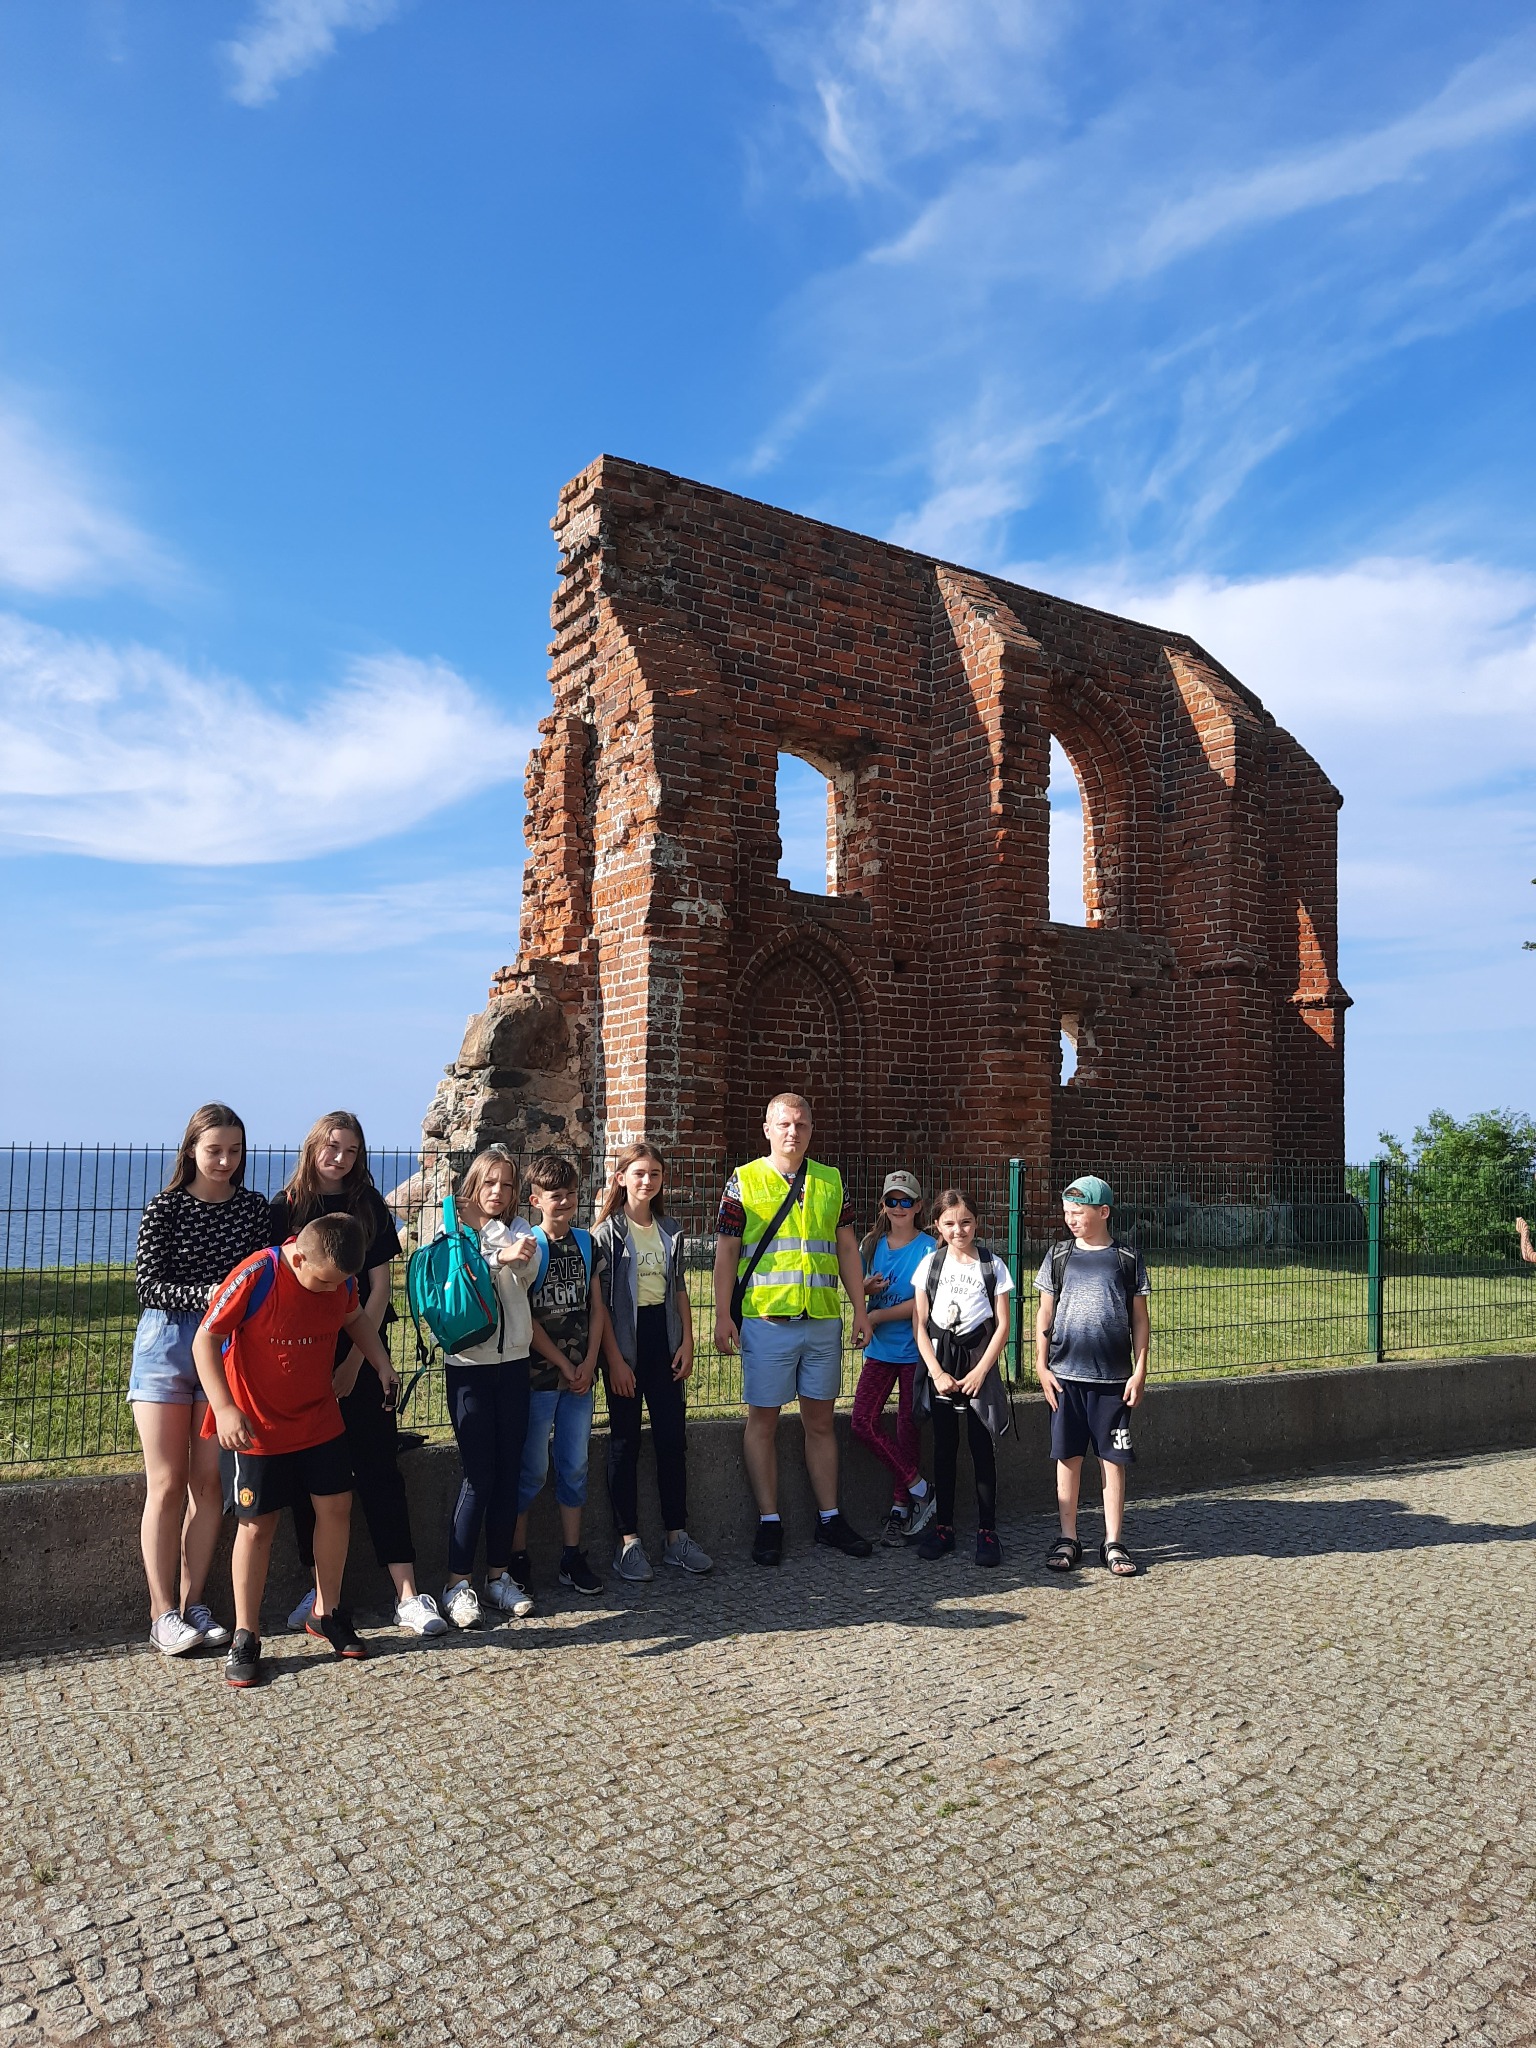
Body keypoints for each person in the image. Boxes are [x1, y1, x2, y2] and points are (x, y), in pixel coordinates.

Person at [193, 1212, 398, 1687]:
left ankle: (328, 1612)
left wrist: (381, 1364)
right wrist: (224, 1408)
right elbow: (206, 1340)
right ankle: (247, 1635)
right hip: (257, 1426)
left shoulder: (340, 1282)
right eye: (325, 1282)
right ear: (300, 1255)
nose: (333, 1292)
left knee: (337, 1508)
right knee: (257, 1526)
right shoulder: (257, 1273)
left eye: (342, 1284)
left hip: (319, 1419)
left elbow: (356, 1320)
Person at [270, 1112, 445, 1639]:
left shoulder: (369, 1205)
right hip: (303, 1357)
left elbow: (379, 1287)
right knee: (312, 1477)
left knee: (378, 1468)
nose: (339, 1157)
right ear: (313, 1146)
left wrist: (355, 1363)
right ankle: (320, 1593)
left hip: (362, 1353)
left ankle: (407, 1595)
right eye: (331, 1146)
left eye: (349, 1150)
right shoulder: (284, 1208)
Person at [128, 1103, 271, 1657]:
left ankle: (194, 1605)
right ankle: (160, 1611)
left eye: (235, 1151)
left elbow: (261, 1272)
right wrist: (211, 1296)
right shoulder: (164, 1207)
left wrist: (228, 1307)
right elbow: (148, 1284)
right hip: (166, 1347)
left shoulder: (253, 1209)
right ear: (191, 1149)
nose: (225, 1161)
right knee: (165, 1484)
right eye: (214, 1150)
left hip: (225, 1350)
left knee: (209, 1485)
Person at [712, 1092, 873, 1565]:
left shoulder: (829, 1180)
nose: (792, 1132)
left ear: (810, 1130)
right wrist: (723, 1314)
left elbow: (846, 1248)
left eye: (801, 1125)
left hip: (821, 1320)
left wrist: (860, 1308)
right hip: (767, 1321)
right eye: (784, 1124)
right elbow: (725, 1252)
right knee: (763, 1420)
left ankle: (829, 1518)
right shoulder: (744, 1181)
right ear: (767, 1128)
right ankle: (769, 1521)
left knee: (820, 1422)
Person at [594, 1141, 713, 1582]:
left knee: (671, 1440)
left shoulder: (670, 1230)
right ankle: (628, 1543)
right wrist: (614, 1359)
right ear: (622, 1177)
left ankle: (676, 1538)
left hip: (664, 1342)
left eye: (655, 1174)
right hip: (625, 1344)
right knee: (625, 1443)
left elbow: (678, 1287)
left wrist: (687, 1342)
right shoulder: (605, 1234)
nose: (647, 1181)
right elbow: (600, 1305)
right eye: (639, 1173)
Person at [440, 1144, 540, 1630]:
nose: (498, 1192)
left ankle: (498, 1576)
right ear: (474, 1185)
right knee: (478, 1475)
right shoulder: (451, 1228)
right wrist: (499, 1255)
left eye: (506, 1184)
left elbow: (527, 1272)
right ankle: (457, 1583)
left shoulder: (521, 1230)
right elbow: (457, 1269)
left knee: (508, 1472)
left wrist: (513, 1253)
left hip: (514, 1364)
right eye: (490, 1183)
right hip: (468, 1366)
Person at [1034, 1174, 1150, 1578]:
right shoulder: (1059, 1256)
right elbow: (1044, 1314)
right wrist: (1040, 1366)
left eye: (1079, 1212)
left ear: (1103, 1212)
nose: (1071, 1219)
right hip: (1065, 1378)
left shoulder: (1127, 1259)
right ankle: (1069, 1537)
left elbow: (1140, 1319)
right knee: (1067, 1457)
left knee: (1113, 1460)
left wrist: (1139, 1371)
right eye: (1067, 1212)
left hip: (1113, 1381)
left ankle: (1113, 1540)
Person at [509, 1152, 610, 1599]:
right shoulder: (530, 1246)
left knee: (575, 1465)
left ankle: (571, 1555)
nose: (564, 1201)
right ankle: (516, 1557)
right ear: (536, 1200)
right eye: (555, 1196)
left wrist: (588, 1361)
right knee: (530, 1471)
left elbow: (596, 1307)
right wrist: (566, 1363)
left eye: (570, 1194)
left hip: (578, 1379)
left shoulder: (588, 1244)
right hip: (538, 1379)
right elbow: (526, 1318)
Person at [911, 1189, 1012, 1567]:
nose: (959, 1230)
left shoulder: (993, 1265)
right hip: (943, 1363)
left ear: (977, 1222)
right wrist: (936, 1372)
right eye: (950, 1223)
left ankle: (988, 1530)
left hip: (978, 1361)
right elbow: (919, 1325)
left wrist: (981, 1371)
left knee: (982, 1446)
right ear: (937, 1225)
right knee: (944, 1447)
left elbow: (1002, 1326)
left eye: (966, 1222)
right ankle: (944, 1528)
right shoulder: (930, 1266)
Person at [851, 1172, 938, 1545]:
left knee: (907, 1426)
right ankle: (920, 1487)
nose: (898, 1208)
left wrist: (877, 1315)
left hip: (913, 1349)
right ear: (883, 1206)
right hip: (880, 1350)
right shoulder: (871, 1244)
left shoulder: (929, 1248)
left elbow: (923, 1303)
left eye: (906, 1201)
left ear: (918, 1206)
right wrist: (863, 1291)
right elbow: (855, 1287)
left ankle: (901, 1508)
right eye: (892, 1201)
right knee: (862, 1422)